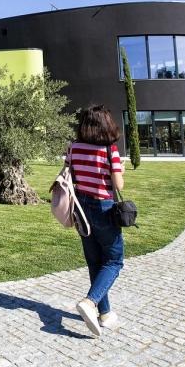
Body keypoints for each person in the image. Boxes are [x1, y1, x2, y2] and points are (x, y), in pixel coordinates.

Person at [66, 105, 125, 337]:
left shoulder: (73, 147)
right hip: (104, 208)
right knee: (113, 261)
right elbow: (119, 185)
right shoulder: (109, 150)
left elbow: (71, 175)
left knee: (94, 261)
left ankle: (106, 314)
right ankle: (90, 302)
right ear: (105, 124)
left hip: (81, 207)